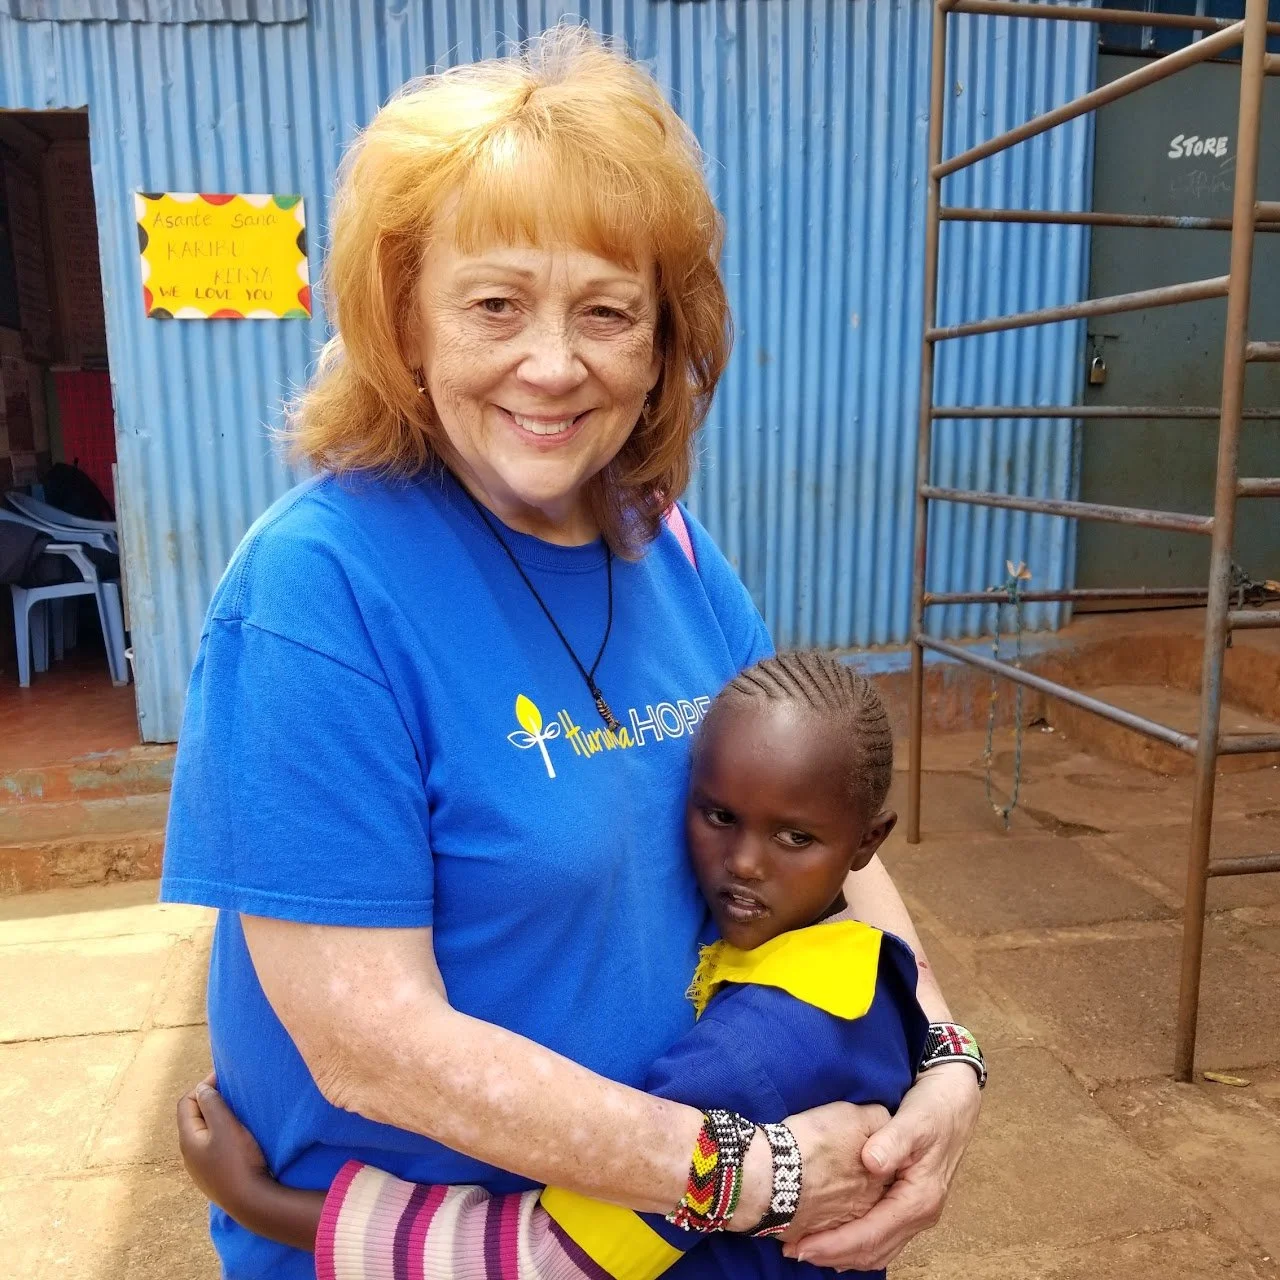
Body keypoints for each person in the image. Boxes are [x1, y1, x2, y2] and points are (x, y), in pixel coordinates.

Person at [160, 27, 981, 1279]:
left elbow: (827, 827)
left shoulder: (668, 546)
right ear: (404, 319)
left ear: (659, 345)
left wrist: (943, 1059)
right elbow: (369, 1042)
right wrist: (748, 1175)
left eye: (606, 311)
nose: (552, 365)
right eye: (494, 303)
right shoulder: (315, 590)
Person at [179, 654, 984, 1277]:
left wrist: (262, 1204)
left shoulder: (750, 1059)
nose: (743, 862)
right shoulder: (872, 974)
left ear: (868, 844)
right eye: (717, 815)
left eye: (794, 837)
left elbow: (543, 1259)